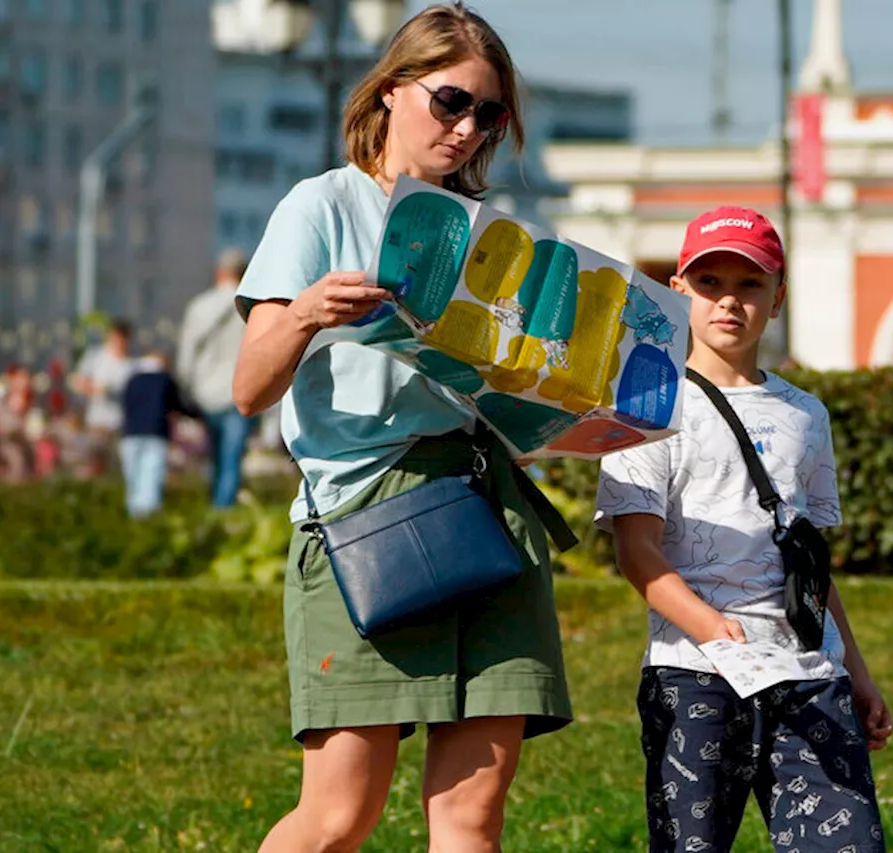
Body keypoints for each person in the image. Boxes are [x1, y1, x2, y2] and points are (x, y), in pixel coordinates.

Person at [230, 5, 572, 851]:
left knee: (472, 814)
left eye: (488, 114)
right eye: (451, 101)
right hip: (366, 522)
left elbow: (517, 395)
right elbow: (247, 389)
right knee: (338, 815)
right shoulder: (320, 206)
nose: (467, 129)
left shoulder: (492, 233)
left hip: (486, 508)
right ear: (391, 90)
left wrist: (572, 403)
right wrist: (307, 311)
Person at [594, 206, 892, 853]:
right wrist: (708, 625)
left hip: (807, 672)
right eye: (710, 283)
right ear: (679, 290)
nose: (729, 301)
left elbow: (810, 564)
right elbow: (636, 551)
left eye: (749, 284)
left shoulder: (805, 415)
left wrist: (858, 672)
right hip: (695, 674)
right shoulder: (648, 405)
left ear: (777, 297)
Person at [177, 246, 257, 508]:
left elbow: (187, 354)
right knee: (232, 459)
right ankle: (224, 513)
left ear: (218, 272)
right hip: (240, 392)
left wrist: (185, 390)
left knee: (214, 458)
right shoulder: (252, 305)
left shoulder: (200, 306)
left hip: (206, 394)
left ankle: (215, 508)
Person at [119, 351, 194, 518]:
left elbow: (123, 406)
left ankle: (134, 517)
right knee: (151, 479)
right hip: (155, 433)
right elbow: (178, 406)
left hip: (130, 434)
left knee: (134, 480)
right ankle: (148, 519)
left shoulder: (131, 380)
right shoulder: (165, 380)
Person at [72, 319, 137, 436]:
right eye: (115, 338)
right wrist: (97, 389)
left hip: (119, 425)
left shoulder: (131, 365)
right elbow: (78, 381)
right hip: (96, 422)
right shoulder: (95, 357)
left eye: (121, 339)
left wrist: (100, 389)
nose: (118, 343)